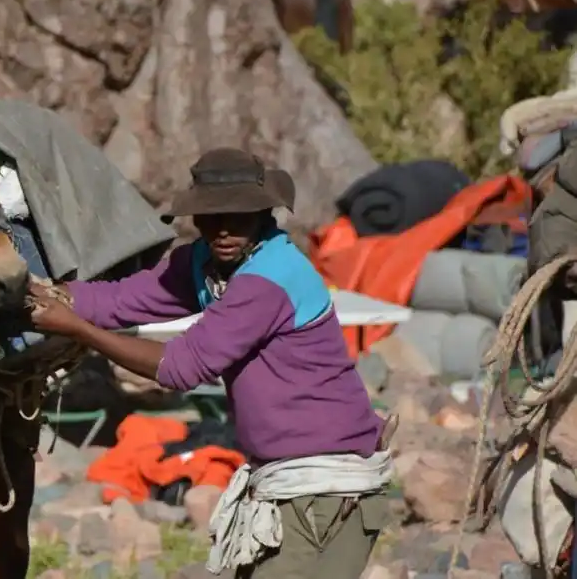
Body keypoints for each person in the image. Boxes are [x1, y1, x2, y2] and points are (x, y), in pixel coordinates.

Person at [29, 148, 396, 579]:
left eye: (237, 217)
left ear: (263, 214)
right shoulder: (208, 262)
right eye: (209, 217)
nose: (222, 230)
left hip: (327, 491)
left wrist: (75, 328)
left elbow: (181, 366)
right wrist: (54, 294)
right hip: (280, 483)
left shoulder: (268, 279)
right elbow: (127, 299)